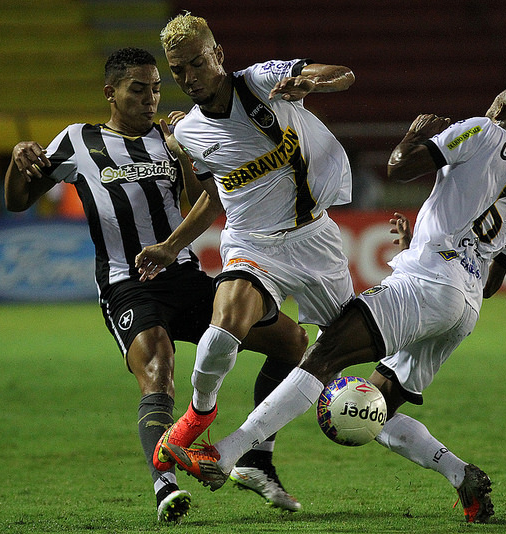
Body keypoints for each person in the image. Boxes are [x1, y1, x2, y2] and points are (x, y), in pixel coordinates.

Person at [159, 85, 506, 524]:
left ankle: (225, 453)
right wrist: (420, 243)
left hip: (427, 282)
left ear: (498, 109)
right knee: (374, 408)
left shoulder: (481, 130)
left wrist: (412, 136)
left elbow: (401, 167)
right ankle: (460, 474)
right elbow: (495, 279)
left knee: (323, 357)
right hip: (465, 306)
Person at [3, 47, 308, 523]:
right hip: (128, 285)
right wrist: (17, 159)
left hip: (185, 277)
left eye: (156, 89)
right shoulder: (78, 141)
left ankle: (255, 456)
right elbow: (19, 200)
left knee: (291, 341)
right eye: (138, 89)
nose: (150, 99)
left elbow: (204, 200)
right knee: (158, 369)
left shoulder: (172, 137)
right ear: (111, 92)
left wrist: (184, 149)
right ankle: (164, 483)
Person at [134, 12, 356, 510]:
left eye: (196, 64)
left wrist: (310, 82)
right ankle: (195, 420)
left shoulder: (260, 82)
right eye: (178, 71)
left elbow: (343, 72)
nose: (189, 78)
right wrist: (172, 246)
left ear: (218, 56)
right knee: (220, 334)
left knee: (338, 361)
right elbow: (217, 195)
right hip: (252, 245)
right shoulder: (190, 132)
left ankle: (255, 456)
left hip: (315, 239)